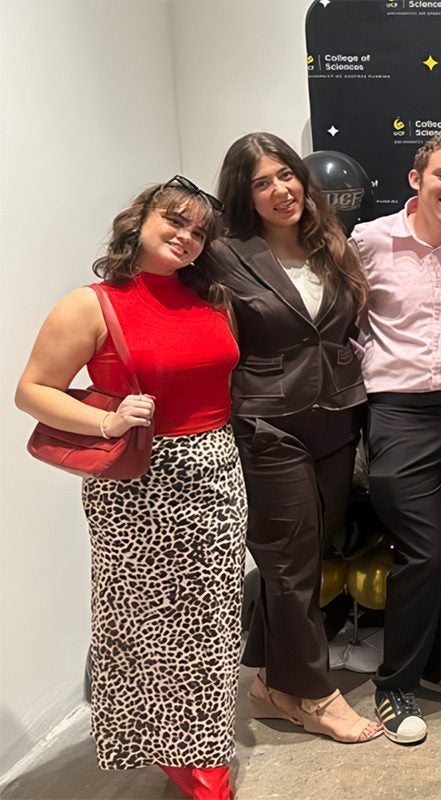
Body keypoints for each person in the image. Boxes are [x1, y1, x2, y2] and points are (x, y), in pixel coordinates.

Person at [15, 179, 243, 799]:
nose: (186, 237)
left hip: (216, 471)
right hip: (136, 486)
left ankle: (203, 748)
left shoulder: (211, 299)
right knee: (145, 623)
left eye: (199, 232)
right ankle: (176, 753)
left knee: (213, 623)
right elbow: (32, 390)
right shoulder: (90, 304)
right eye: (175, 221)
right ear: (137, 220)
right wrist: (105, 421)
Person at [206, 132, 382, 743]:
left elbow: (347, 326)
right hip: (266, 424)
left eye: (287, 175)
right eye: (262, 182)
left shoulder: (331, 246)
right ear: (243, 194)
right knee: (288, 563)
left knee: (306, 557)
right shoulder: (223, 254)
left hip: (337, 417)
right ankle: (314, 694)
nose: (281, 190)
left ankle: (270, 686)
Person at [350, 135, 441, 745]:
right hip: (400, 414)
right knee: (424, 550)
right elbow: (345, 320)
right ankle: (395, 683)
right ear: (416, 179)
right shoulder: (369, 241)